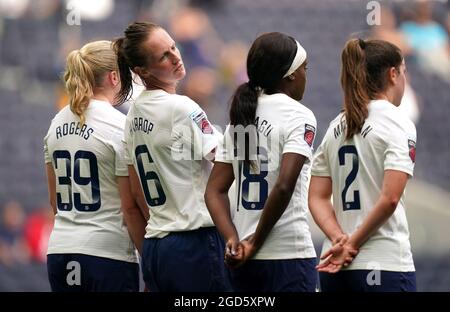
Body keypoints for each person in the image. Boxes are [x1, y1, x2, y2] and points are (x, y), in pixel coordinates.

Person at [114, 22, 230, 292]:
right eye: (163, 56)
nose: (176, 57)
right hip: (195, 241)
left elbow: (136, 196)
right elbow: (227, 160)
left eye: (173, 47)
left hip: (157, 244)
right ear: (142, 70)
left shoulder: (133, 116)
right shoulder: (182, 107)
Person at [204, 32, 317, 292]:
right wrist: (255, 242)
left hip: (242, 260)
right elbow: (283, 187)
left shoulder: (242, 116)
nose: (305, 76)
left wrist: (233, 239)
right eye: (304, 68)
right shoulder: (299, 116)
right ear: (290, 74)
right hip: (288, 255)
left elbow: (214, 190)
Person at [309, 38, 417, 292]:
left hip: (334, 266)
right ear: (393, 74)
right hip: (384, 264)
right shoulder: (397, 122)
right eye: (404, 72)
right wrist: (352, 244)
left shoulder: (337, 125)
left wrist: (338, 238)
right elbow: (390, 198)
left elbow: (316, 196)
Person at [44, 40, 146, 292]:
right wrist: (152, 262)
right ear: (113, 77)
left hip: (60, 252)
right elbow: (131, 206)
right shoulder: (119, 126)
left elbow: (54, 202)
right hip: (106, 254)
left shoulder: (56, 123)